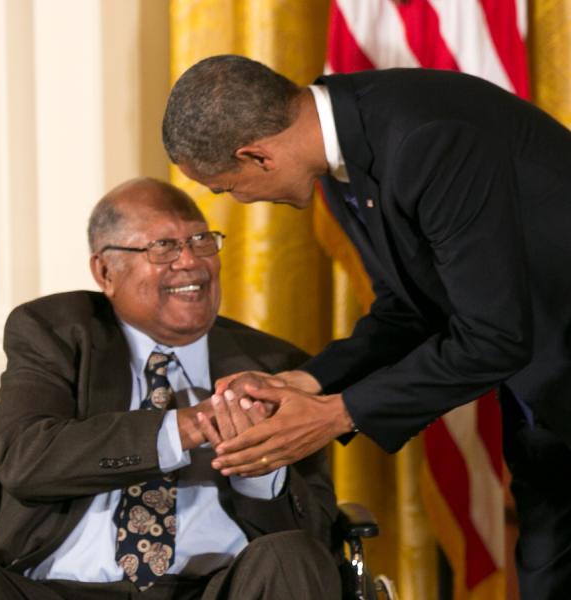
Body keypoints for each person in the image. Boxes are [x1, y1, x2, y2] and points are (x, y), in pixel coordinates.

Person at [162, 54, 571, 599]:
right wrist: (306, 384)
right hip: (547, 407)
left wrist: (336, 415)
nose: (239, 201)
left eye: (227, 188)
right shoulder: (344, 150)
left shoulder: (425, 140)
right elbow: (411, 309)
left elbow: (493, 336)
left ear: (256, 155)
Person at [0, 177, 341, 600]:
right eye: (163, 247)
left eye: (202, 241)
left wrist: (261, 461)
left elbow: (315, 535)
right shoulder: (56, 332)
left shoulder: (278, 366)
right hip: (55, 589)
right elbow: (26, 462)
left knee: (292, 555)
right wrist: (188, 426)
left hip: (216, 589)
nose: (190, 262)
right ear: (105, 271)